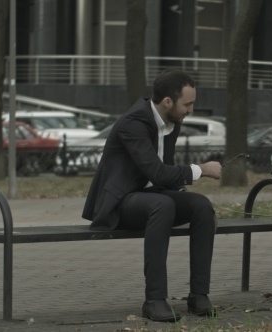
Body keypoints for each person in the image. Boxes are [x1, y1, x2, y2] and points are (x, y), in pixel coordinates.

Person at [82, 69, 222, 322]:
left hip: (152, 197)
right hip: (120, 203)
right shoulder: (133, 123)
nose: (190, 110)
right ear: (168, 101)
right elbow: (157, 172)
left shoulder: (172, 122)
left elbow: (165, 173)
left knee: (201, 205)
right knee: (163, 205)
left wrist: (182, 193)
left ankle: (199, 295)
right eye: (187, 104)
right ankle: (154, 299)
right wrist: (201, 169)